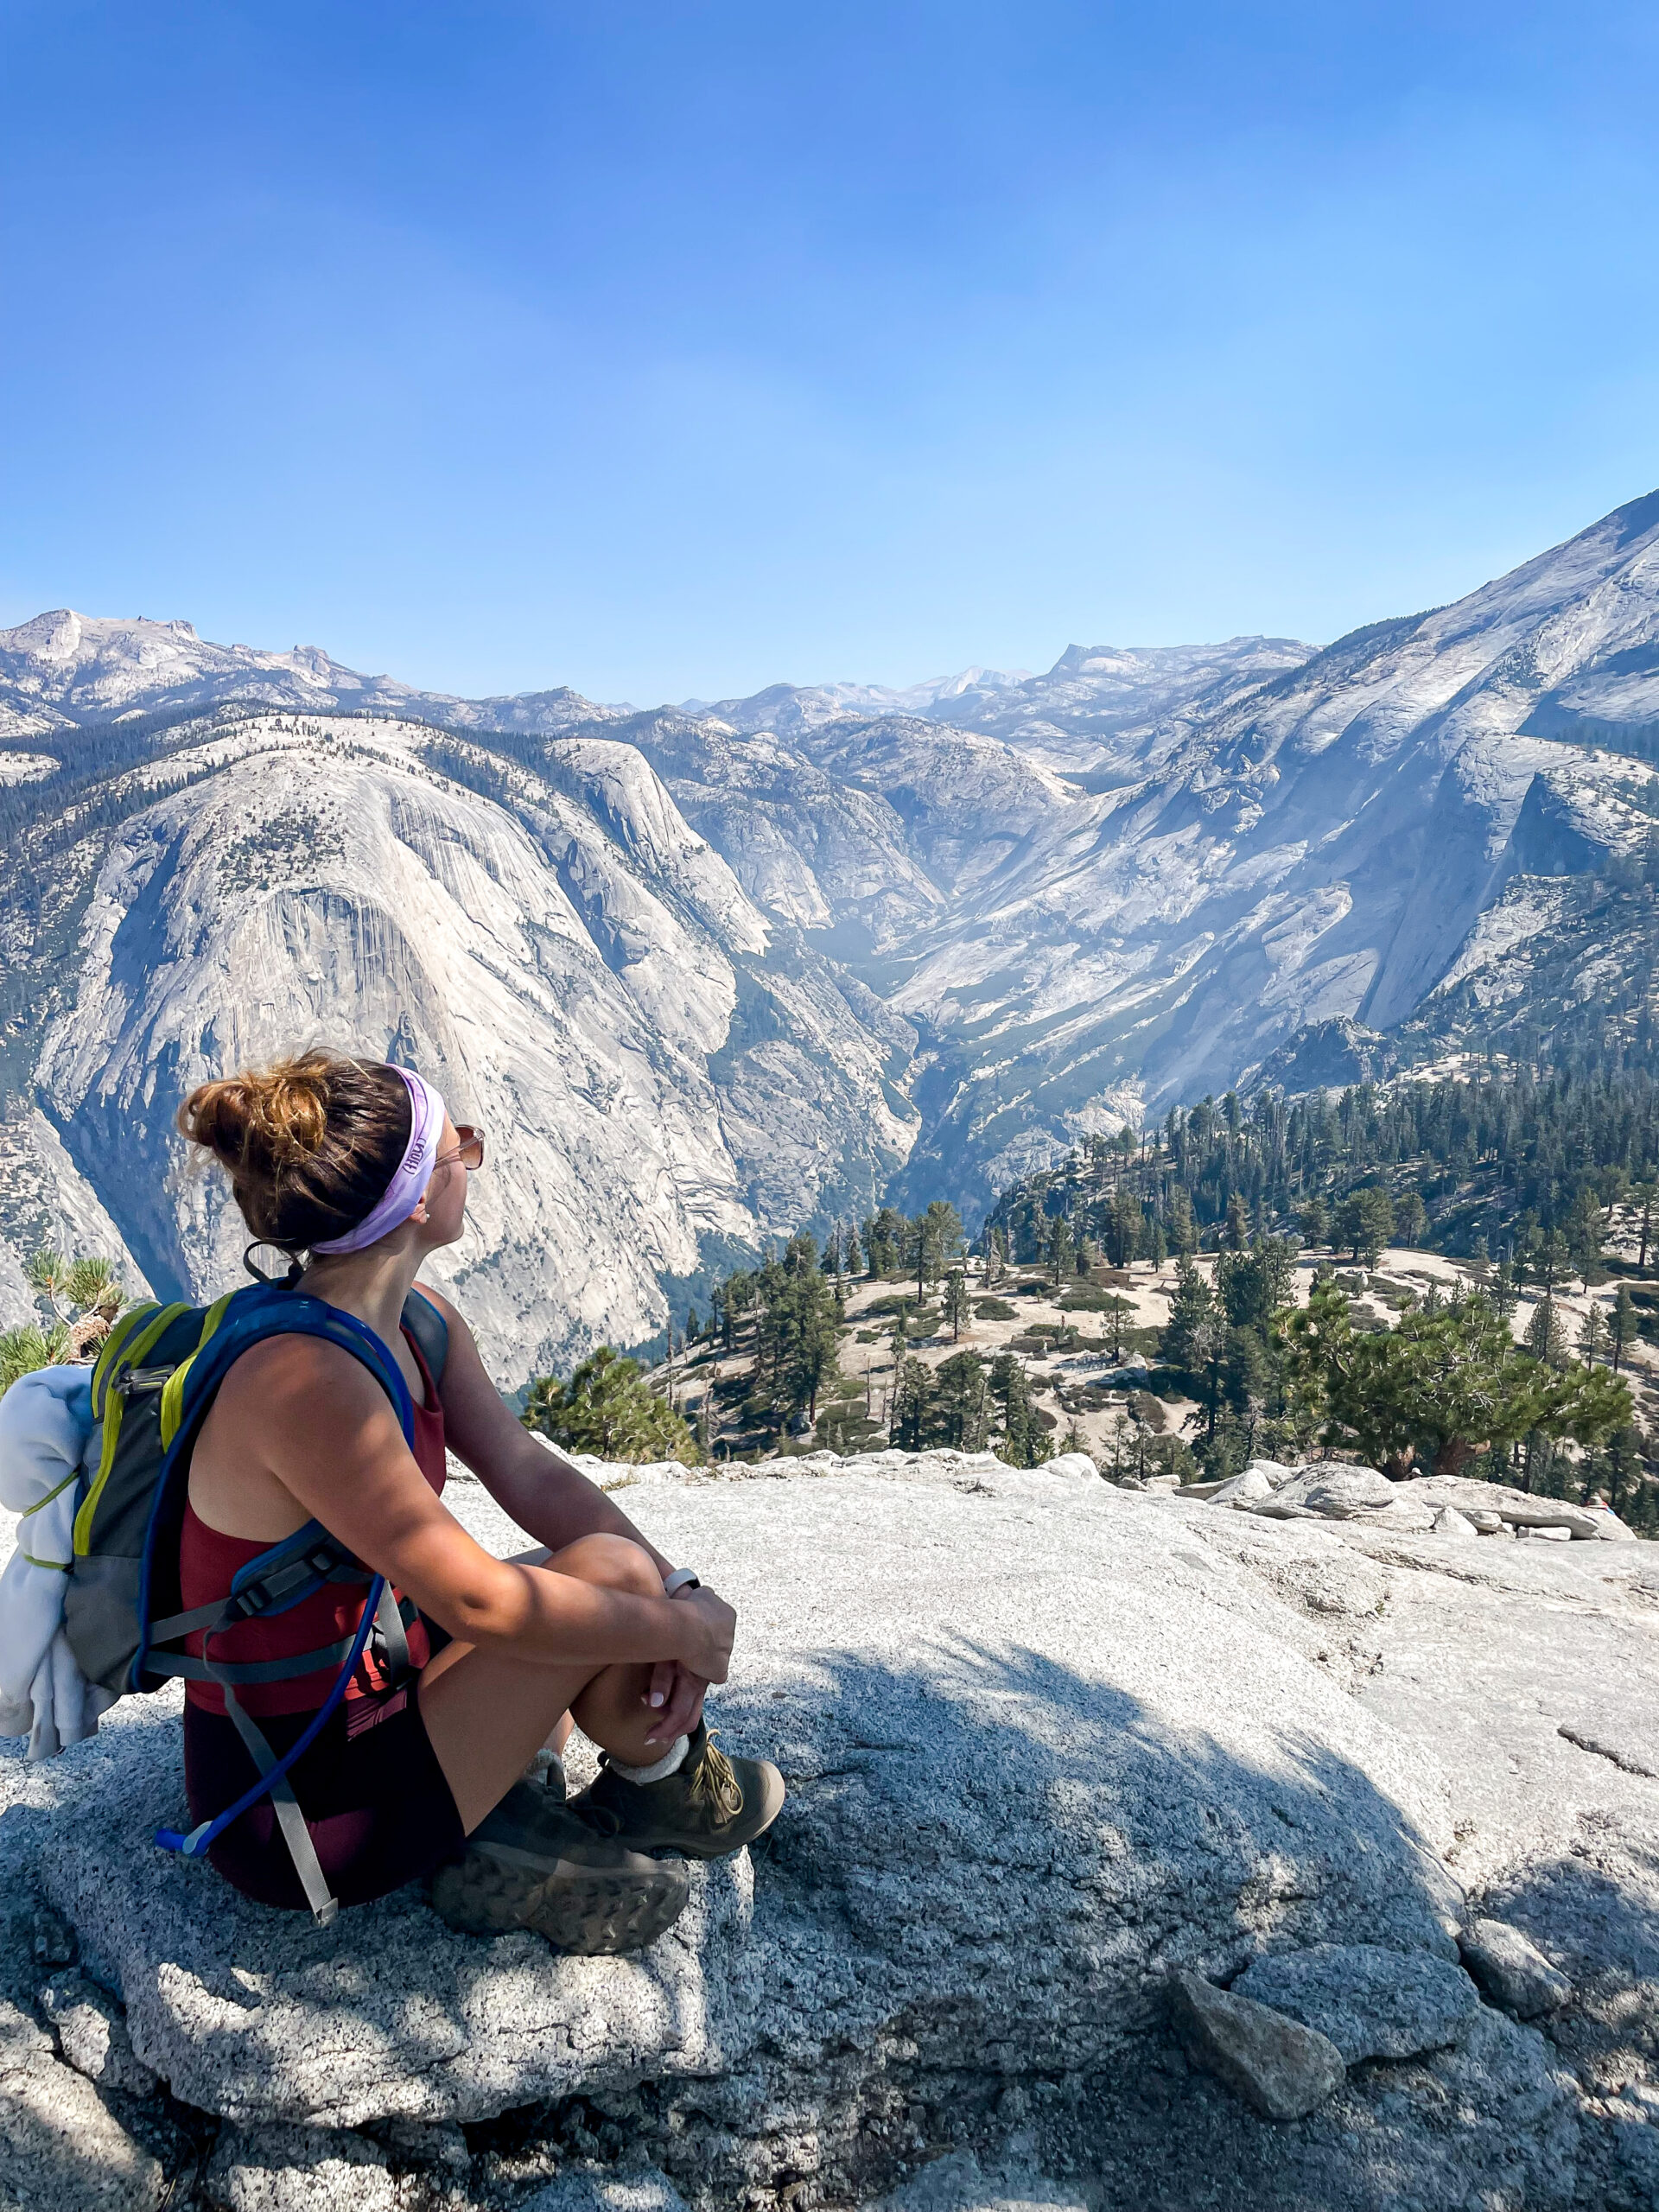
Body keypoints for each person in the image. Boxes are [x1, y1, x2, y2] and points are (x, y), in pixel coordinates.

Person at [175, 1048, 783, 1947]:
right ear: (418, 1199)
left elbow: (529, 1472)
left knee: (619, 1574)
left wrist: (675, 1588)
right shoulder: (304, 1385)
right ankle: (648, 1789)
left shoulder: (416, 1322)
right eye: (462, 1144)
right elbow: (479, 1603)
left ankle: (549, 1805)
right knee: (612, 1592)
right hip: (305, 1809)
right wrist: (681, 1634)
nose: (477, 1154)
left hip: (370, 1698)